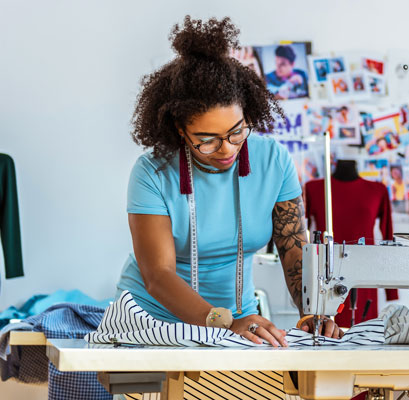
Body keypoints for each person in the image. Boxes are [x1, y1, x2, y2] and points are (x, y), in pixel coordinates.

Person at [117, 16, 342, 348]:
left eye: (237, 132)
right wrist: (225, 323)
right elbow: (158, 275)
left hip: (241, 322)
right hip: (155, 323)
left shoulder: (274, 161)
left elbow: (293, 249)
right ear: (180, 129)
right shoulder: (152, 173)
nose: (227, 149)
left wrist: (312, 312)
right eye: (207, 139)